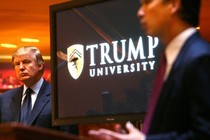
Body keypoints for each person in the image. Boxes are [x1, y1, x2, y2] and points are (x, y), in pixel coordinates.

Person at [88, 0, 210, 139]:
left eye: (148, 2)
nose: (139, 12)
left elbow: (204, 134)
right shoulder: (171, 59)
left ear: (174, 4)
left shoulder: (200, 58)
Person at [0, 46, 78, 134]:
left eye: (26, 62)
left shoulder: (60, 96)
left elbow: (69, 135)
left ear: (40, 65)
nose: (21, 67)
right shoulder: (4, 99)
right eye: (17, 64)